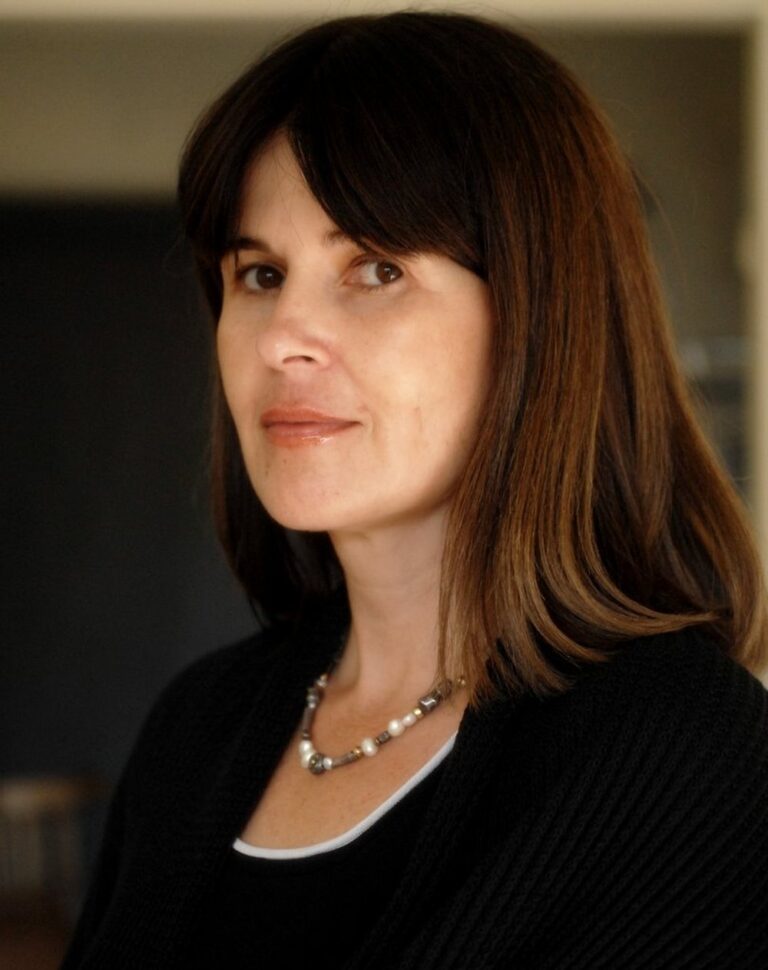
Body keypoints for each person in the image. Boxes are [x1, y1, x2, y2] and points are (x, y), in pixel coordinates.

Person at [61, 11, 768, 969]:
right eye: (260, 273)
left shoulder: (691, 757)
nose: (281, 337)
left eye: (377, 268)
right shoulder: (197, 726)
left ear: (540, 315)